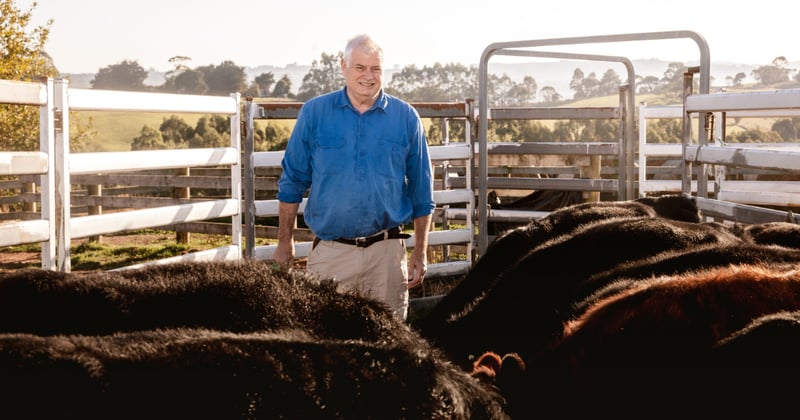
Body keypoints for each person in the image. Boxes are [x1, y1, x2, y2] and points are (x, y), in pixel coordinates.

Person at [273, 34, 435, 321]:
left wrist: (420, 252)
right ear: (343, 66)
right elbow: (292, 182)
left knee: (390, 347)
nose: (368, 76)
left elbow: (422, 193)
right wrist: (284, 242)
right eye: (360, 67)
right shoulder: (315, 113)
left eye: (376, 69)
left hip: (386, 255)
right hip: (332, 254)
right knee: (324, 346)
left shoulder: (406, 118)